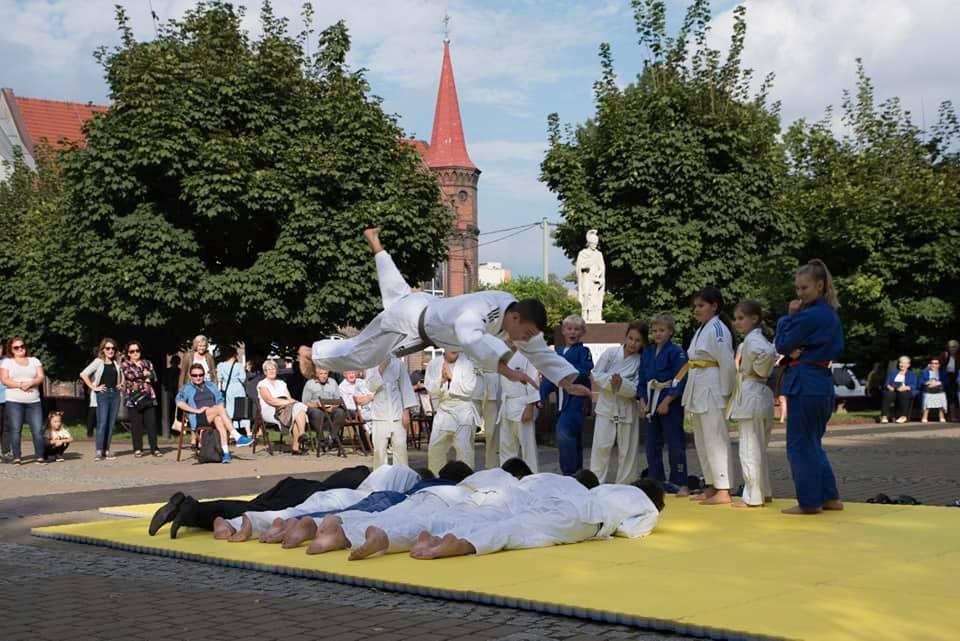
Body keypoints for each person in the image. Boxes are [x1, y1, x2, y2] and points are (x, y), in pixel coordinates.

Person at [311, 228, 589, 401]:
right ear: (516, 319)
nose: (524, 339)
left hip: (420, 308)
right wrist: (506, 371)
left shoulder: (516, 317)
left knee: (394, 286)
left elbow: (540, 352)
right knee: (365, 353)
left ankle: (374, 240)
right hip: (411, 320)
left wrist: (567, 381)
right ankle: (314, 352)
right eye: (526, 333)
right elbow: (471, 339)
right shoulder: (484, 309)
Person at [775, 259, 845, 515]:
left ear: (819, 285)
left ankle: (809, 502)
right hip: (821, 381)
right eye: (797, 289)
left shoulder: (808, 315)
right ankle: (829, 497)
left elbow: (782, 345)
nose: (800, 294)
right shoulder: (830, 315)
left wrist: (788, 318)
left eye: (804, 288)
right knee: (813, 442)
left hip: (805, 382)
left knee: (799, 445)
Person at [149, 465, 373, 538]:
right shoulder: (364, 487)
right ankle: (192, 511)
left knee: (250, 504)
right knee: (250, 510)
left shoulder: (354, 474)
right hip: (308, 495)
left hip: (295, 484)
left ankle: (185, 506)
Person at [218, 463, 422, 542]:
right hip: (358, 498)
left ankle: (234, 522)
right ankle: (258, 525)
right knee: (312, 514)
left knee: (296, 509)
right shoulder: (411, 477)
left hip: (341, 493)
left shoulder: (385, 469)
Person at [682, 288, 736, 505]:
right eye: (695, 306)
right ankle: (711, 484)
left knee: (717, 440)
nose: (696, 310)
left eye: (701, 305)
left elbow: (727, 363)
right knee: (702, 441)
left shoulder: (718, 329)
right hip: (699, 387)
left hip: (714, 389)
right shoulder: (702, 329)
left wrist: (727, 393)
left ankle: (724, 488)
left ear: (714, 306)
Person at [727, 301, 776, 508]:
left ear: (754, 318)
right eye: (736, 318)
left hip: (752, 394)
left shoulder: (753, 340)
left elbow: (768, 353)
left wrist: (759, 370)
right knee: (758, 449)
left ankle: (752, 496)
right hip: (760, 395)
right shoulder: (754, 340)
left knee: (749, 449)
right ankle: (763, 492)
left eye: (741, 318)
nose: (737, 322)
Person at [590, 321, 645, 484]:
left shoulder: (641, 361)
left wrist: (622, 384)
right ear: (625, 336)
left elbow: (637, 387)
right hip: (606, 407)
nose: (632, 344)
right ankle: (595, 483)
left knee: (627, 451)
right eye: (630, 338)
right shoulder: (611, 353)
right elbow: (596, 374)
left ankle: (625, 486)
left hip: (627, 408)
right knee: (601, 447)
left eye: (638, 341)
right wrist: (611, 381)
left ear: (643, 343)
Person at [640, 313, 689, 495]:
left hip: (670, 402)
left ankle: (680, 482)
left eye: (662, 330)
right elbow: (643, 378)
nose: (658, 334)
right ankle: (656, 480)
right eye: (655, 331)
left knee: (675, 442)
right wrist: (642, 401)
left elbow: (680, 377)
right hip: (651, 401)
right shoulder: (648, 352)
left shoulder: (676, 352)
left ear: (670, 332)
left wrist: (668, 400)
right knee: (651, 444)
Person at [540, 314, 594, 475]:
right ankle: (577, 472)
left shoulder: (583, 351)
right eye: (569, 328)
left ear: (582, 332)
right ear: (563, 331)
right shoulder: (557, 352)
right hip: (562, 403)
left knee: (564, 432)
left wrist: (565, 373)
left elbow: (584, 371)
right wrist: (542, 396)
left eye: (577, 329)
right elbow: (549, 376)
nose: (573, 332)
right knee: (572, 438)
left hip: (577, 402)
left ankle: (569, 473)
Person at [426, 351, 479, 473]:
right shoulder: (434, 364)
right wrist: (441, 380)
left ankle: (466, 481)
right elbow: (430, 388)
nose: (453, 350)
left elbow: (469, 389)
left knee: (464, 449)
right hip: (444, 409)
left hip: (463, 410)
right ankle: (435, 479)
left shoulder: (467, 364)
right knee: (435, 448)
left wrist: (452, 378)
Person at [175, 363, 234, 463]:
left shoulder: (210, 385)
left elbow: (220, 399)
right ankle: (235, 434)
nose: (198, 377)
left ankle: (226, 454)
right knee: (219, 409)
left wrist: (215, 408)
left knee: (219, 419)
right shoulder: (187, 388)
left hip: (212, 414)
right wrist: (196, 410)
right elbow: (179, 403)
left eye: (200, 375)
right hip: (198, 416)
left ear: (204, 375)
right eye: (195, 375)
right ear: (190, 376)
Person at [365, 356, 417, 468]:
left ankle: (401, 479)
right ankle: (380, 480)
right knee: (379, 452)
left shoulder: (399, 364)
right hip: (380, 415)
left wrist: (406, 412)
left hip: (398, 414)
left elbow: (406, 388)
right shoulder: (371, 363)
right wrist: (381, 367)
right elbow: (370, 387)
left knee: (401, 451)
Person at [498, 339, 541, 472]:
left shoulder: (529, 355)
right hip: (506, 405)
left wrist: (530, 407)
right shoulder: (502, 356)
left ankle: (532, 477)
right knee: (506, 446)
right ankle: (507, 476)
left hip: (523, 405)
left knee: (528, 447)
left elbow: (533, 382)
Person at [0, 338, 45, 465]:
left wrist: (31, 382)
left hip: (34, 401)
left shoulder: (34, 360)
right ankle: (17, 457)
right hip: (14, 400)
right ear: (11, 350)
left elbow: (41, 376)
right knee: (15, 429)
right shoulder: (7, 363)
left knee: (37, 429)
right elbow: (4, 379)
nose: (20, 349)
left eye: (22, 346)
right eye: (16, 347)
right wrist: (20, 385)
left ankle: (40, 456)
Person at [80, 337, 123, 461]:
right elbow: (83, 374)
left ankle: (107, 450)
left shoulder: (116, 363)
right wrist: (94, 387)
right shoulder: (98, 362)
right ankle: (99, 450)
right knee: (102, 423)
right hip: (102, 395)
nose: (110, 351)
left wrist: (121, 383)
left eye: (113, 348)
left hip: (115, 395)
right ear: (103, 349)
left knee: (111, 424)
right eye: (108, 348)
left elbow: (122, 376)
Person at [257, 360, 309, 455]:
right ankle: (297, 444)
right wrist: (288, 402)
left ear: (277, 370)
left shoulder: (282, 383)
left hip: (286, 408)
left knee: (299, 407)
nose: (272, 371)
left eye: (273, 369)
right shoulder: (262, 384)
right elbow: (270, 400)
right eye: (269, 369)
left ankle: (301, 435)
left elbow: (289, 398)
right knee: (296, 409)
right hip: (270, 409)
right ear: (265, 372)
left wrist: (292, 402)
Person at [120, 340, 162, 458]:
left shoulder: (147, 362)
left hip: (149, 396)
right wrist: (145, 374)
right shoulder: (125, 364)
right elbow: (129, 375)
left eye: (137, 350)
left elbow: (154, 376)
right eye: (132, 351)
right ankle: (138, 449)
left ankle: (155, 448)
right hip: (134, 398)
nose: (135, 353)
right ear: (128, 353)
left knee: (151, 424)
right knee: (136, 424)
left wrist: (148, 375)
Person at [303, 368, 347, 455]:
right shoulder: (310, 383)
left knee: (340, 412)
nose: (323, 376)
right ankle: (321, 439)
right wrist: (317, 405)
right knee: (316, 413)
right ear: (317, 374)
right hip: (316, 407)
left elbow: (338, 400)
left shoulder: (333, 382)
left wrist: (333, 406)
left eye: (325, 373)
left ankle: (332, 437)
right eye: (321, 374)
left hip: (330, 407)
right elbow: (305, 402)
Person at [216, 345, 253, 441]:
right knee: (242, 408)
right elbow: (243, 378)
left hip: (226, 389)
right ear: (234, 355)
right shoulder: (239, 366)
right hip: (238, 388)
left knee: (229, 409)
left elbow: (219, 379)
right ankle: (248, 432)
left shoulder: (220, 365)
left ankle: (232, 432)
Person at [472, 367, 501, 469]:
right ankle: (466, 465)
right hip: (473, 384)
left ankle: (492, 466)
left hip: (493, 385)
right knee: (467, 431)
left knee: (492, 432)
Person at [339, 369, 374, 450]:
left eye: (353, 372)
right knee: (362, 415)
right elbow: (352, 402)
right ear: (344, 374)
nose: (351, 375)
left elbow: (371, 395)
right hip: (350, 410)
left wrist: (364, 399)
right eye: (349, 373)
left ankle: (376, 440)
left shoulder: (361, 382)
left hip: (365, 406)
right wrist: (365, 399)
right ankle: (366, 444)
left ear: (357, 373)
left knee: (375, 412)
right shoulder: (342, 386)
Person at [881, 356, 917, 424]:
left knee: (904, 393)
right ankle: (884, 416)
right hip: (893, 390)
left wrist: (906, 387)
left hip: (904, 391)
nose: (902, 365)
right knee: (887, 394)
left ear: (908, 365)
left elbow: (913, 385)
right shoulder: (893, 372)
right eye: (900, 363)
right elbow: (886, 383)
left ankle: (903, 416)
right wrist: (889, 387)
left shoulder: (911, 374)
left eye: (904, 363)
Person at [919, 357, 947, 423]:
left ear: (939, 365)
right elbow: (920, 382)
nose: (934, 365)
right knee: (928, 396)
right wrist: (928, 382)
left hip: (939, 390)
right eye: (932, 363)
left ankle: (941, 416)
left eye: (936, 363)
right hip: (928, 390)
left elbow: (946, 382)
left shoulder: (942, 372)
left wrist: (939, 382)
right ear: (930, 364)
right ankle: (925, 416)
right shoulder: (924, 372)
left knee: (942, 396)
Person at [940, 340, 959, 421]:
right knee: (950, 396)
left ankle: (954, 416)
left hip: (957, 376)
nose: (952, 349)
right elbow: (938, 363)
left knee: (955, 396)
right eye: (950, 347)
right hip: (946, 377)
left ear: (957, 348)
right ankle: (951, 416)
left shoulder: (959, 355)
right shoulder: (944, 354)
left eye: (954, 347)